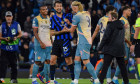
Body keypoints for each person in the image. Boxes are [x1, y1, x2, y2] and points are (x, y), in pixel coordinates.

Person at [63, 1, 100, 84]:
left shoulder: (76, 16)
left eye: (73, 7)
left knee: (86, 61)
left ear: (75, 7)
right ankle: (75, 81)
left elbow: (72, 30)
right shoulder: (87, 13)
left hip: (84, 41)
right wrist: (71, 23)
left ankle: (96, 80)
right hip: (83, 40)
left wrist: (67, 29)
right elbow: (80, 26)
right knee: (77, 60)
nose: (72, 9)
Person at [98, 12, 129, 84]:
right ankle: (126, 81)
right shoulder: (122, 25)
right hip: (120, 48)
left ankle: (100, 81)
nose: (108, 19)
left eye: (109, 17)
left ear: (113, 18)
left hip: (110, 48)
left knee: (105, 66)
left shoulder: (110, 25)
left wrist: (100, 48)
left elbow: (105, 37)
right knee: (122, 67)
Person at [50, 1, 74, 84]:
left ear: (62, 7)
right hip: (57, 41)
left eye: (60, 6)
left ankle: (73, 80)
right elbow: (51, 32)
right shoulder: (52, 18)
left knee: (68, 61)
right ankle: (52, 81)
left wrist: (69, 27)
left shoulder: (68, 15)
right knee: (52, 60)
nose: (59, 7)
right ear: (54, 8)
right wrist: (61, 31)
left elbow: (74, 25)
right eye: (57, 6)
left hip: (66, 40)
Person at [91, 5, 115, 84]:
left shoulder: (101, 19)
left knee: (105, 61)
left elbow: (96, 31)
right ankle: (107, 80)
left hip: (103, 44)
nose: (115, 12)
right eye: (113, 11)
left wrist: (91, 39)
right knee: (106, 61)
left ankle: (94, 76)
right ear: (110, 11)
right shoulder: (110, 19)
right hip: (107, 44)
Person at [32, 5, 52, 84]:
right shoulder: (36, 19)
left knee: (48, 61)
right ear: (40, 11)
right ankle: (33, 80)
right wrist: (40, 42)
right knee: (37, 61)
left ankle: (46, 80)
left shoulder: (48, 18)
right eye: (43, 10)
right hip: (39, 44)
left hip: (48, 43)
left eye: (46, 9)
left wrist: (52, 42)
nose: (45, 11)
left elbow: (49, 32)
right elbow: (35, 32)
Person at [0, 11, 22, 83]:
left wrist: (16, 37)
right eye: (7, 16)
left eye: (10, 16)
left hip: (14, 47)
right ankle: (1, 78)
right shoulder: (2, 25)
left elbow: (20, 34)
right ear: (5, 17)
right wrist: (4, 39)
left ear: (12, 17)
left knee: (14, 64)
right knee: (3, 63)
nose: (8, 18)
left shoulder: (17, 24)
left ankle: (13, 79)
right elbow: (0, 36)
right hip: (4, 47)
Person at [112, 6, 131, 84]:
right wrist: (128, 42)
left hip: (126, 44)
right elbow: (119, 34)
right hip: (123, 44)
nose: (131, 12)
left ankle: (124, 80)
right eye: (129, 10)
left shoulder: (126, 20)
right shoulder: (122, 21)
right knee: (123, 62)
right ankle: (115, 78)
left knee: (125, 62)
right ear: (125, 11)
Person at [131, 11, 140, 84]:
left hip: (138, 42)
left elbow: (136, 32)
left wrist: (133, 43)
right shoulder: (136, 22)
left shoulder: (138, 20)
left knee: (138, 60)